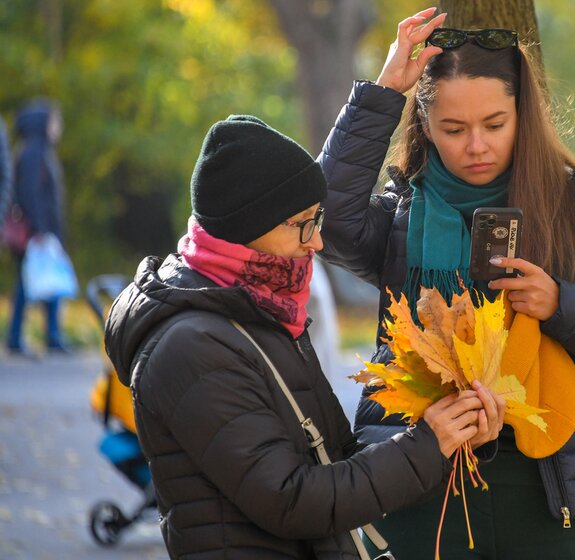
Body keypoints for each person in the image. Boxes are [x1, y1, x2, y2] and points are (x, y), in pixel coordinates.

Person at [318, 8, 575, 559]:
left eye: (494, 125)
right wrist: (383, 93)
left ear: (522, 117)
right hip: (421, 490)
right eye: (453, 129)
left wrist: (561, 305)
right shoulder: (401, 217)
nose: (476, 146)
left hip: (554, 499)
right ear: (424, 126)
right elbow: (326, 219)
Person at [103, 114, 505, 558]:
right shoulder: (191, 345)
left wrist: (451, 438)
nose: (316, 243)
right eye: (303, 223)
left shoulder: (260, 309)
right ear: (248, 225)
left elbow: (336, 459)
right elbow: (291, 500)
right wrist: (427, 445)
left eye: (318, 219)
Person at [6, 99, 70, 356]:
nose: (57, 127)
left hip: (43, 233)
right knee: (29, 285)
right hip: (37, 234)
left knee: (45, 283)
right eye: (54, 121)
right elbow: (29, 194)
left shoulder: (39, 150)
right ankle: (20, 338)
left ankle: (50, 336)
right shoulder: (34, 152)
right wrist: (40, 230)